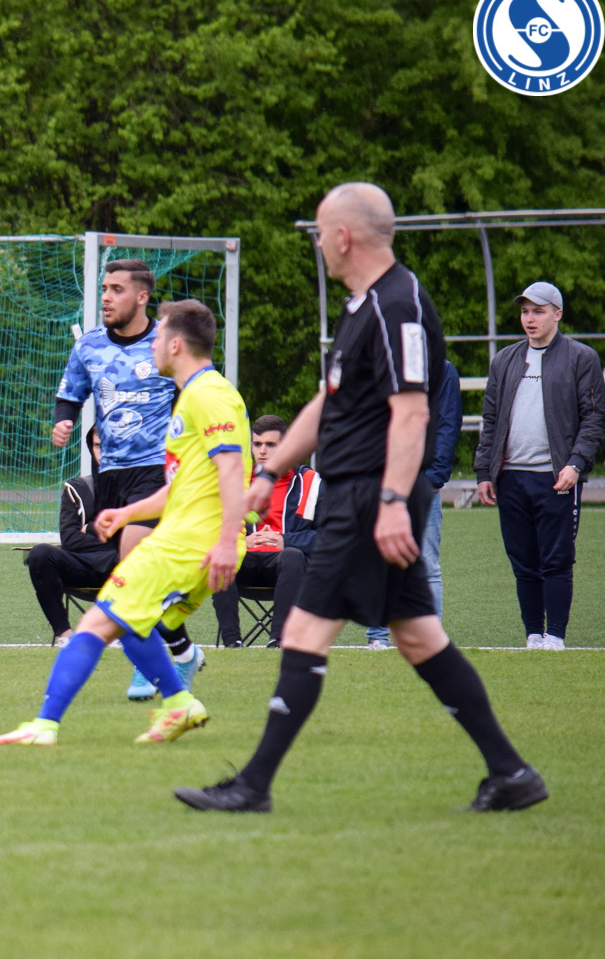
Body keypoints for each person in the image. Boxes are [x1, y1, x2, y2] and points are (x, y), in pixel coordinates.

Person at [176, 182, 546, 814]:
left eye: (322, 234)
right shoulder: (362, 306)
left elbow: (411, 412)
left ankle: (253, 785)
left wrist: (395, 500)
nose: (319, 245)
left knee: (304, 630)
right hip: (364, 494)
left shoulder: (398, 305)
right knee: (420, 639)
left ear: (343, 237)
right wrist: (271, 472)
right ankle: (512, 773)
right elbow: (328, 405)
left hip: (369, 497)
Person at [0, 299, 242, 748]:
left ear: (176, 344)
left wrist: (225, 541)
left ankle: (45, 726)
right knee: (125, 621)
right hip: (186, 539)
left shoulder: (208, 395)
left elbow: (233, 471)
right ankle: (179, 700)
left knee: (96, 624)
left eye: (158, 338)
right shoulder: (192, 397)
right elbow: (183, 485)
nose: (151, 347)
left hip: (190, 543)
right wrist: (127, 513)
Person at [52, 259, 200, 698]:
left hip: (156, 472)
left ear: (142, 297)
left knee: (132, 572)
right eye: (104, 288)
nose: (106, 297)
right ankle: (182, 651)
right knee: (138, 576)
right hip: (110, 476)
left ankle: (145, 667)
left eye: (117, 289)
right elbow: (70, 393)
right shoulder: (89, 345)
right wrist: (63, 421)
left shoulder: (166, 344)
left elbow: (196, 395)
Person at [473, 282, 604, 651]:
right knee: (523, 561)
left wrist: (576, 463)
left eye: (539, 311)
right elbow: (490, 419)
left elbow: (594, 418)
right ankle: (533, 635)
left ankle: (556, 637)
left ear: (557, 314)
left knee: (557, 560)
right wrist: (483, 471)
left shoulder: (581, 358)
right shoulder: (504, 360)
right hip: (511, 478)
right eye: (525, 311)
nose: (530, 319)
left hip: (556, 478)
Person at [367, 360, 460, 649]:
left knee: (425, 564)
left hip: (422, 481)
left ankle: (429, 641)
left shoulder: (441, 369)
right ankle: (378, 638)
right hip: (378, 481)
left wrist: (432, 478)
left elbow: (448, 422)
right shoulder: (375, 364)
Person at [211, 415, 319, 648]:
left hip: (288, 567)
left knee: (292, 556)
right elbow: (212, 530)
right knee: (221, 555)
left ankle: (278, 640)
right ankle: (232, 642)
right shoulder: (238, 481)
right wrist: (242, 542)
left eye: (270, 445)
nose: (262, 451)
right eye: (257, 444)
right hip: (244, 562)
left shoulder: (310, 482)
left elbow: (329, 537)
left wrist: (285, 540)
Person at [23, 427, 118, 644]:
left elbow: (135, 537)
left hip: (121, 567)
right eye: (98, 446)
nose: (104, 452)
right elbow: (70, 540)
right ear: (90, 448)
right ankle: (65, 636)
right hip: (81, 567)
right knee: (40, 554)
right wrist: (106, 532)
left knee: (136, 552)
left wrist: (88, 528)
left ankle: (119, 632)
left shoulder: (137, 486)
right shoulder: (76, 487)